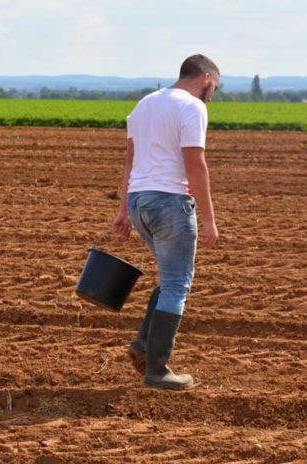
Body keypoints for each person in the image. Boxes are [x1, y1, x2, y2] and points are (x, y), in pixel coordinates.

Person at [111, 54, 220, 390]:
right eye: (215, 86)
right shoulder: (192, 107)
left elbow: (132, 159)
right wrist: (209, 218)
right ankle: (157, 371)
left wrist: (123, 209)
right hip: (170, 202)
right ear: (205, 78)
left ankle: (144, 347)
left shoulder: (145, 104)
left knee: (169, 278)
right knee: (177, 285)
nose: (213, 93)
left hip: (139, 201)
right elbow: (195, 165)